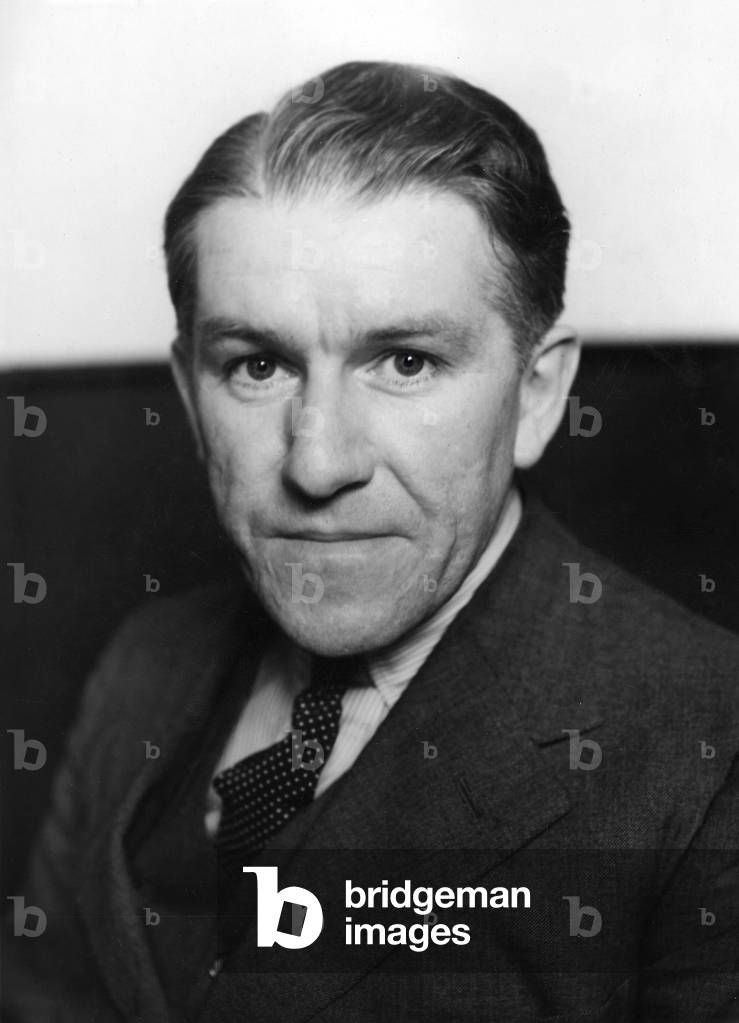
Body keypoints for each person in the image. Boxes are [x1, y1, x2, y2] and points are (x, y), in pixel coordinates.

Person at [3, 61, 738, 1023]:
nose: (318, 463)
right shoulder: (144, 664)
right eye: (257, 365)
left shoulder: (707, 745)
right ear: (187, 394)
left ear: (536, 394)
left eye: (405, 361)